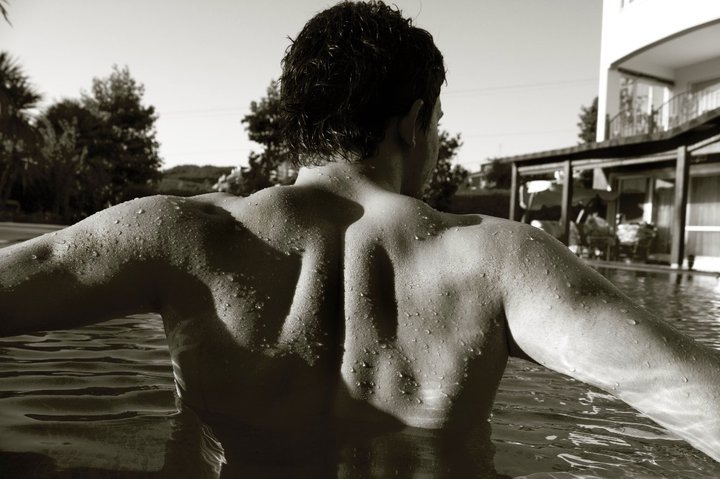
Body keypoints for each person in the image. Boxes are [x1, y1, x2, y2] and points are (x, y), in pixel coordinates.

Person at [1, 1, 719, 475]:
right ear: (414, 122)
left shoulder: (183, 235)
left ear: (294, 121)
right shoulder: (499, 259)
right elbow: (689, 391)